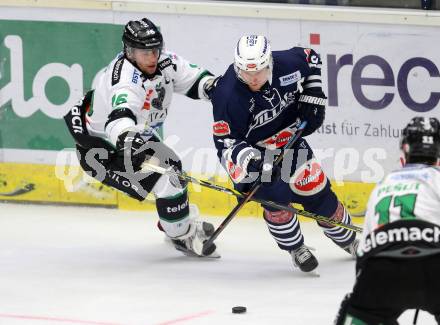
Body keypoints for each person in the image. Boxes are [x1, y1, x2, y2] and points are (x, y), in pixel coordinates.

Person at [64, 18, 219, 258]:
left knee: (173, 167)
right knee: (169, 180)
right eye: (144, 52)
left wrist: (215, 87)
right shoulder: (124, 80)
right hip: (102, 152)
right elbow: (119, 116)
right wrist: (128, 138)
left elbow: (194, 79)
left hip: (135, 136)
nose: (152, 57)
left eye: (155, 50)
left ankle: (173, 225)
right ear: (129, 51)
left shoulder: (165, 62)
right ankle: (182, 235)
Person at [209, 35, 358, 273]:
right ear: (238, 68)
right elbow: (227, 143)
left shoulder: (286, 63)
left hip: (289, 138)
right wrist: (252, 165)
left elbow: (312, 58)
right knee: (275, 199)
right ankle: (296, 248)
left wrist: (313, 92)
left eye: (260, 70)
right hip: (254, 153)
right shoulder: (227, 95)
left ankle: (351, 240)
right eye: (247, 73)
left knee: (316, 191)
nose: (254, 78)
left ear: (270, 63)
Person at [335, 117, 440, 325]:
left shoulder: (384, 184)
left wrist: (363, 300)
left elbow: (363, 255)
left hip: (381, 270)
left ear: (404, 154)